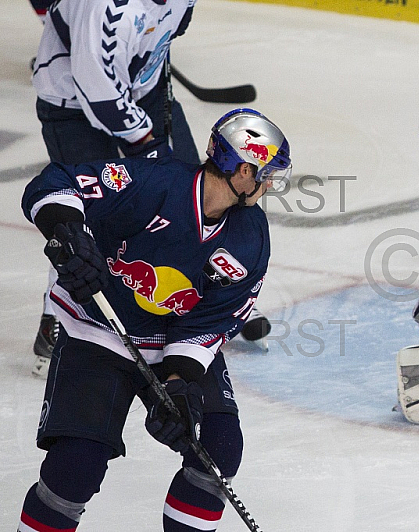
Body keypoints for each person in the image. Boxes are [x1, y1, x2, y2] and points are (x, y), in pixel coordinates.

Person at [17, 108, 291, 531]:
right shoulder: (153, 182)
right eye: (266, 171)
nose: (270, 183)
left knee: (218, 448)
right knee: (75, 468)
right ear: (240, 169)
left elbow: (215, 319)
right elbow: (55, 183)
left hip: (171, 344)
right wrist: (67, 231)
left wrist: (180, 382)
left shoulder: (250, 236)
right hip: (98, 332)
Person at [29, 0, 271, 375]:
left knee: (201, 191)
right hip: (74, 102)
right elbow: (101, 92)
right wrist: (149, 146)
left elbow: (169, 29)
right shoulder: (105, 7)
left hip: (145, 88)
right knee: (90, 210)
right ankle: (57, 315)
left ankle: (213, 297)